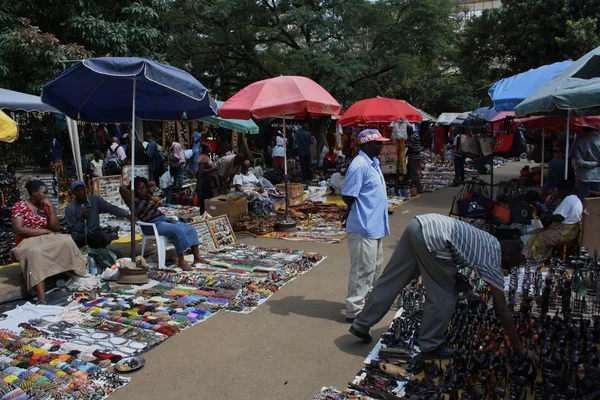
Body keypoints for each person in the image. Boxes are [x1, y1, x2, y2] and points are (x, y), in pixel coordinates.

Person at [349, 214, 539, 366]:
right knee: (444, 294)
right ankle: (430, 345)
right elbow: (502, 309)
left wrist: (454, 274)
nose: (507, 271)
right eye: (508, 267)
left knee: (391, 280)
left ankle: (361, 324)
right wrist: (520, 348)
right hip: (432, 239)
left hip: (420, 223)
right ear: (505, 256)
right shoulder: (492, 261)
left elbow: (456, 251)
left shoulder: (489, 241)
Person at [11, 180, 88, 304]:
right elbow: (19, 229)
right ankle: (41, 295)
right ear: (34, 192)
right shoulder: (20, 206)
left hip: (46, 236)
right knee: (35, 252)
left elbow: (55, 228)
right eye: (43, 193)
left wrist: (51, 208)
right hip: (27, 240)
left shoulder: (44, 206)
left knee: (66, 240)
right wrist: (44, 231)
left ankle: (79, 275)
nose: (45, 196)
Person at [341, 129, 390, 322]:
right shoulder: (359, 165)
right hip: (364, 225)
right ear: (368, 145)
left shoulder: (373, 163)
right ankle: (354, 309)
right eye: (378, 143)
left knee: (374, 268)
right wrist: (353, 211)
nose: (381, 146)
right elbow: (348, 195)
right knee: (362, 269)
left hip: (374, 225)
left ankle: (367, 302)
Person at [120, 177, 206, 270]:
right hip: (151, 225)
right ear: (134, 190)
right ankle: (181, 261)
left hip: (162, 219)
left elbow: (152, 183)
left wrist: (143, 182)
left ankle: (197, 257)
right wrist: (130, 185)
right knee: (178, 231)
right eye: (139, 189)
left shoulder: (148, 195)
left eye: (144, 188)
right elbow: (122, 189)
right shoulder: (132, 200)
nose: (143, 190)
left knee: (191, 229)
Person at [525, 180, 582, 260]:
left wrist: (547, 216)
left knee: (537, 238)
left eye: (559, 191)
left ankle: (535, 259)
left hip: (564, 232)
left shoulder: (568, 200)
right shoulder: (576, 199)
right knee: (539, 234)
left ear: (565, 190)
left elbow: (559, 217)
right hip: (572, 231)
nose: (558, 194)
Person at [65, 181, 131, 248]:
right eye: (77, 190)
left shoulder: (95, 199)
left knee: (104, 238)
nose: (81, 192)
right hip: (80, 235)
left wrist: (126, 215)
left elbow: (110, 208)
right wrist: (82, 219)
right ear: (73, 192)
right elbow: (73, 229)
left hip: (94, 233)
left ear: (85, 189)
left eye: (82, 189)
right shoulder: (70, 208)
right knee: (70, 241)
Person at [573, 128, 600, 201]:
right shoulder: (598, 140)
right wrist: (596, 163)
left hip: (583, 176)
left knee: (583, 200)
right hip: (598, 176)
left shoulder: (579, 141)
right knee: (597, 201)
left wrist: (594, 163)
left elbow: (579, 162)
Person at [400, 125, 423, 193]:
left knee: (414, 173)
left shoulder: (413, 136)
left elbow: (410, 147)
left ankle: (419, 188)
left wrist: (405, 154)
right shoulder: (416, 135)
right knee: (408, 171)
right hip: (414, 156)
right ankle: (404, 182)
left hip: (413, 157)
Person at [196, 143, 216, 213]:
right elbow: (201, 171)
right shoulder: (203, 158)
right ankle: (204, 213)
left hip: (208, 180)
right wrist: (213, 169)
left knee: (208, 197)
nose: (210, 148)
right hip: (204, 181)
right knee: (205, 198)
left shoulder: (206, 157)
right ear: (206, 148)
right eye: (209, 146)